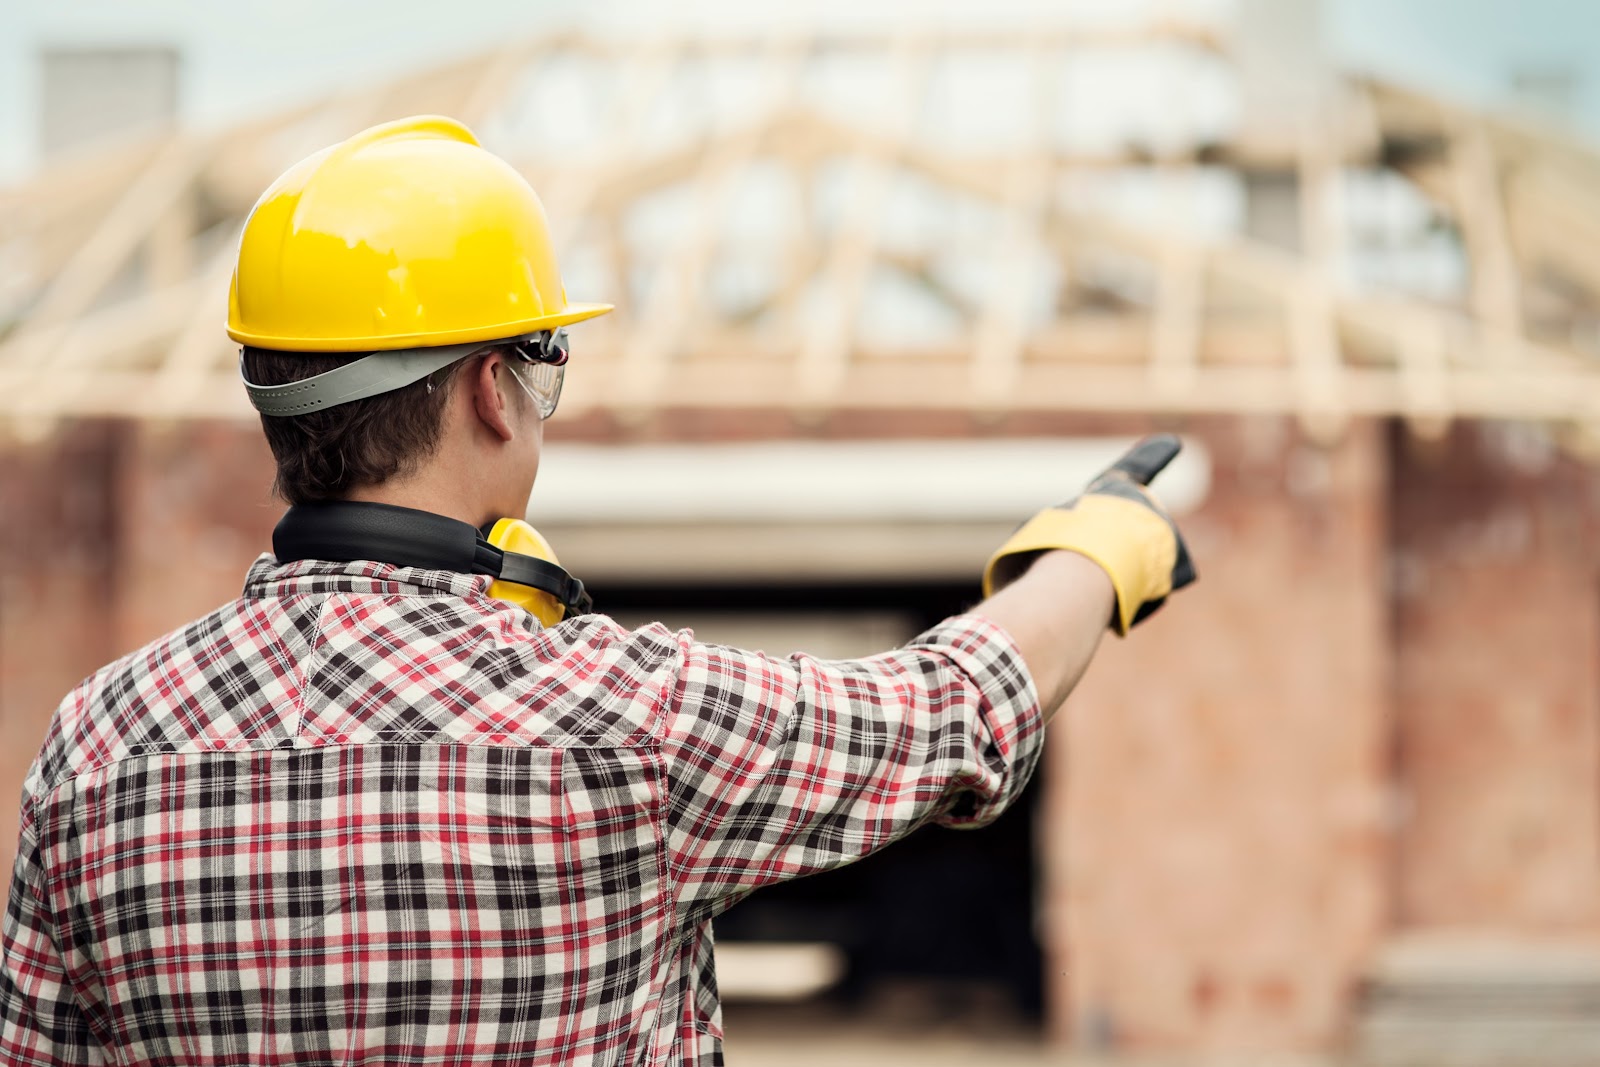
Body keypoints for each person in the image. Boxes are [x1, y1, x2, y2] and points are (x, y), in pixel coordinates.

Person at [0, 115, 1194, 1066]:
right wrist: (1092, 551)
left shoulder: (95, 748)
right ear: (486, 387)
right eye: (542, 360)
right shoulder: (626, 718)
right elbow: (953, 708)